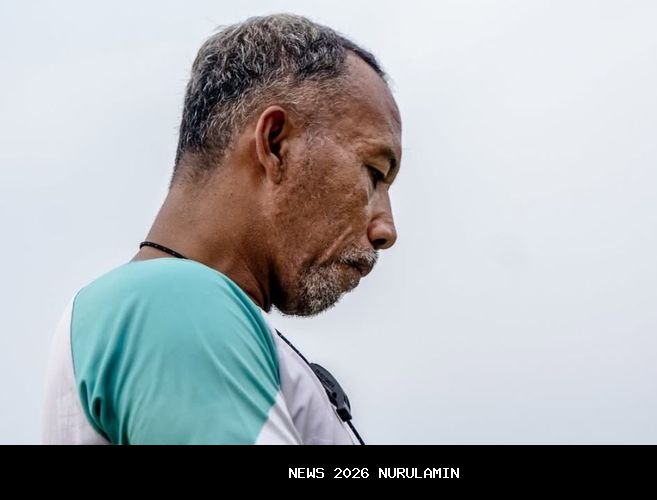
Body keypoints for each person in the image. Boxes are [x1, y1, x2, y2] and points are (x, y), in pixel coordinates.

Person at [42, 14, 401, 445]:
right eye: (374, 173)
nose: (386, 229)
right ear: (275, 144)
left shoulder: (163, 310)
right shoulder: (172, 303)